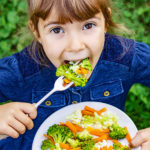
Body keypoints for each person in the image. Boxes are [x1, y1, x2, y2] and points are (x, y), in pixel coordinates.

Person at [0, 0, 150, 149]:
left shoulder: (123, 57)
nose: (75, 46)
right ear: (37, 32)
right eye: (57, 30)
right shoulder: (22, 70)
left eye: (88, 25)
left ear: (106, 23)